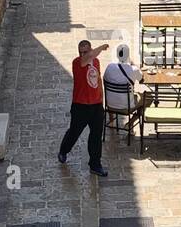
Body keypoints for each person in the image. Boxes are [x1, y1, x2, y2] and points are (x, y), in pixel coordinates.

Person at [58, 40, 109, 176]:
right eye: (80, 52)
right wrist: (102, 47)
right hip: (80, 106)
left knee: (96, 136)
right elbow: (86, 59)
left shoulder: (96, 62)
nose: (82, 55)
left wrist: (101, 100)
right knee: (74, 132)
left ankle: (95, 164)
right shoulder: (77, 62)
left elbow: (98, 81)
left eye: (85, 52)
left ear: (90, 49)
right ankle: (63, 150)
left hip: (96, 106)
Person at [103, 42, 143, 118]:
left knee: (113, 93)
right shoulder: (133, 69)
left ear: (117, 55)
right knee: (147, 97)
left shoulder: (109, 67)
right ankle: (131, 123)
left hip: (110, 105)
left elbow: (104, 80)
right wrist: (133, 64)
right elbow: (141, 79)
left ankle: (111, 120)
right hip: (127, 107)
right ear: (128, 55)